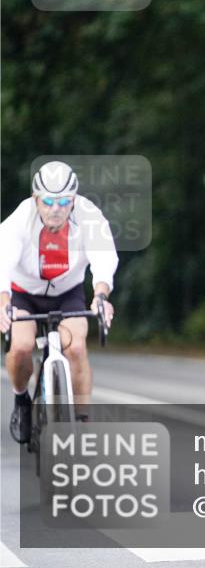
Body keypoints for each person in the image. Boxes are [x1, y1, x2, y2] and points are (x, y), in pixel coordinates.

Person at [0, 161, 117, 442]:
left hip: (68, 292)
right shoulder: (20, 220)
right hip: (23, 293)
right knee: (21, 348)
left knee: (76, 348)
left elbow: (104, 257)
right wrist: (3, 302)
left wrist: (101, 296)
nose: (56, 208)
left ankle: (83, 424)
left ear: (74, 200)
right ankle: (21, 402)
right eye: (49, 201)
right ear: (35, 199)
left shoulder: (89, 215)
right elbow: (2, 263)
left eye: (64, 201)